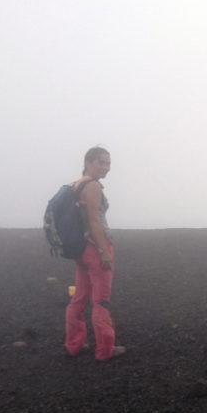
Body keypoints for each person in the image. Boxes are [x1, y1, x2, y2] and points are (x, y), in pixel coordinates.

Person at [64, 146, 125, 360]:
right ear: (88, 162)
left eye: (108, 163)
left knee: (79, 297)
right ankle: (105, 350)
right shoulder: (93, 187)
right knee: (101, 300)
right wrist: (103, 251)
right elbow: (94, 220)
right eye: (102, 162)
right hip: (96, 248)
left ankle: (74, 344)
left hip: (81, 249)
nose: (106, 167)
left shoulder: (76, 185)